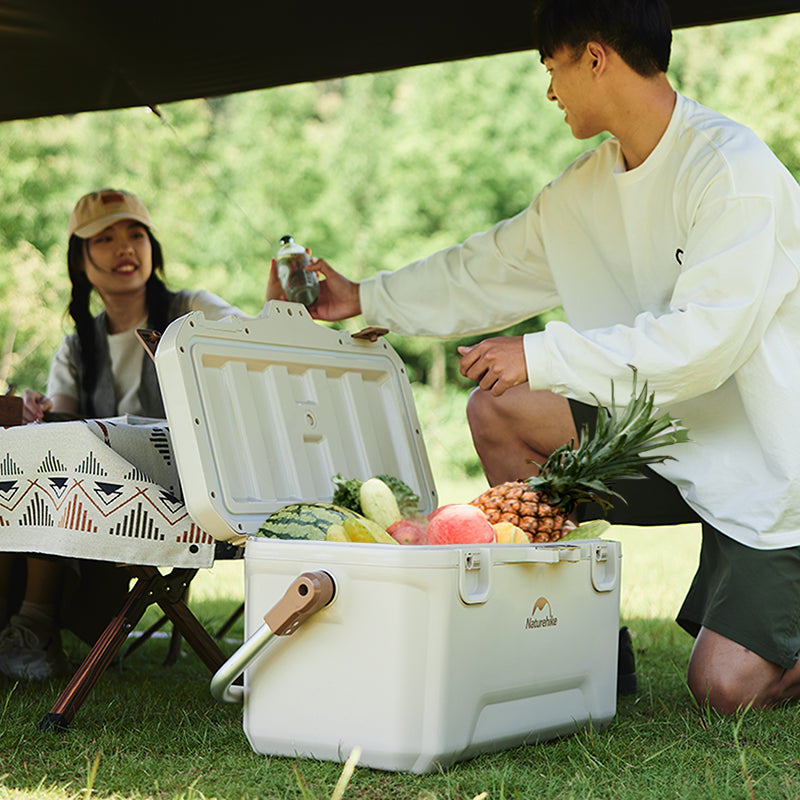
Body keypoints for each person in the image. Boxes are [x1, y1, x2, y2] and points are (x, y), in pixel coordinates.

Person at [268, 0, 800, 714]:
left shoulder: (731, 171)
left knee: (725, 690)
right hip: (665, 445)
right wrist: (362, 295)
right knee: (500, 410)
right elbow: (483, 269)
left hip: (769, 473)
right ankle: (579, 645)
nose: (549, 91)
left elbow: (702, 347)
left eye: (552, 68)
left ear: (594, 57)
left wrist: (543, 354)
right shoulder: (584, 190)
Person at [0, 187, 253, 680]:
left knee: (53, 466)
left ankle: (35, 625)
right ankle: (18, 629)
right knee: (28, 452)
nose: (125, 248)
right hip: (94, 494)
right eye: (106, 237)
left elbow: (252, 352)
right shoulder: (77, 348)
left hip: (189, 484)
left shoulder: (194, 310)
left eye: (137, 233)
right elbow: (61, 425)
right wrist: (37, 410)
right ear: (82, 258)